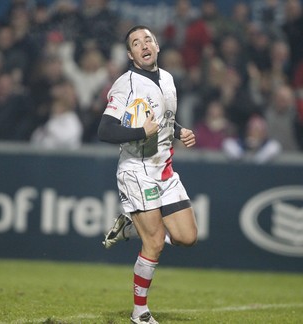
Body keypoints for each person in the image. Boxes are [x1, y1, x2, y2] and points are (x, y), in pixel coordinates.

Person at [98, 25, 198, 324]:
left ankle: (130, 227)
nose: (143, 45)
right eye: (136, 43)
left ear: (156, 46)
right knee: (154, 243)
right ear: (131, 54)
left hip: (165, 169)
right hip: (137, 170)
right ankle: (139, 313)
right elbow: (104, 130)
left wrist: (180, 131)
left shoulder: (167, 78)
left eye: (147, 40)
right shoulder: (125, 84)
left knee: (187, 237)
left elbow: (165, 119)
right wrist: (141, 131)